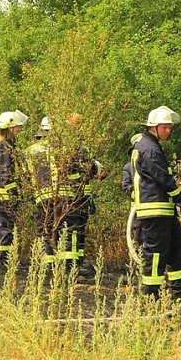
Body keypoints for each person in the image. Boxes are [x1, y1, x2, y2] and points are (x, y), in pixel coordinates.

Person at [131, 106, 181, 299]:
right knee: (156, 252)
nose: (168, 131)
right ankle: (150, 294)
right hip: (154, 209)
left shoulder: (150, 145)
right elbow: (163, 178)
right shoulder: (150, 149)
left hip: (163, 209)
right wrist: (180, 197)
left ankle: (180, 290)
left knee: (178, 244)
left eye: (170, 128)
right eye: (165, 127)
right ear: (154, 127)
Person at [25, 115, 81, 270]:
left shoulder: (31, 151)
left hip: (41, 196)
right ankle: (68, 265)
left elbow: (26, 174)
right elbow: (73, 172)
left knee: (45, 228)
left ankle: (47, 264)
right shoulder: (63, 148)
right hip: (64, 194)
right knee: (68, 229)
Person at [65, 113, 107, 278]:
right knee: (74, 229)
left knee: (81, 229)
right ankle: (73, 264)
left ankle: (79, 261)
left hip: (84, 195)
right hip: (73, 195)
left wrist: (99, 171)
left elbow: (95, 167)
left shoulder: (84, 147)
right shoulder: (70, 146)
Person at [0, 110, 28, 270]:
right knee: (5, 227)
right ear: (10, 127)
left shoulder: (4, 144)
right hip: (4, 194)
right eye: (17, 126)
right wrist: (14, 193)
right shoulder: (4, 145)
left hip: (2, 193)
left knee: (6, 226)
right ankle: (1, 262)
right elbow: (5, 173)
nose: (19, 129)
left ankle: (5, 260)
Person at [121, 133, 143, 248]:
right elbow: (126, 186)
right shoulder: (128, 167)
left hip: (154, 210)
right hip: (137, 209)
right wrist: (138, 196)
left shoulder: (152, 164)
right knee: (138, 237)